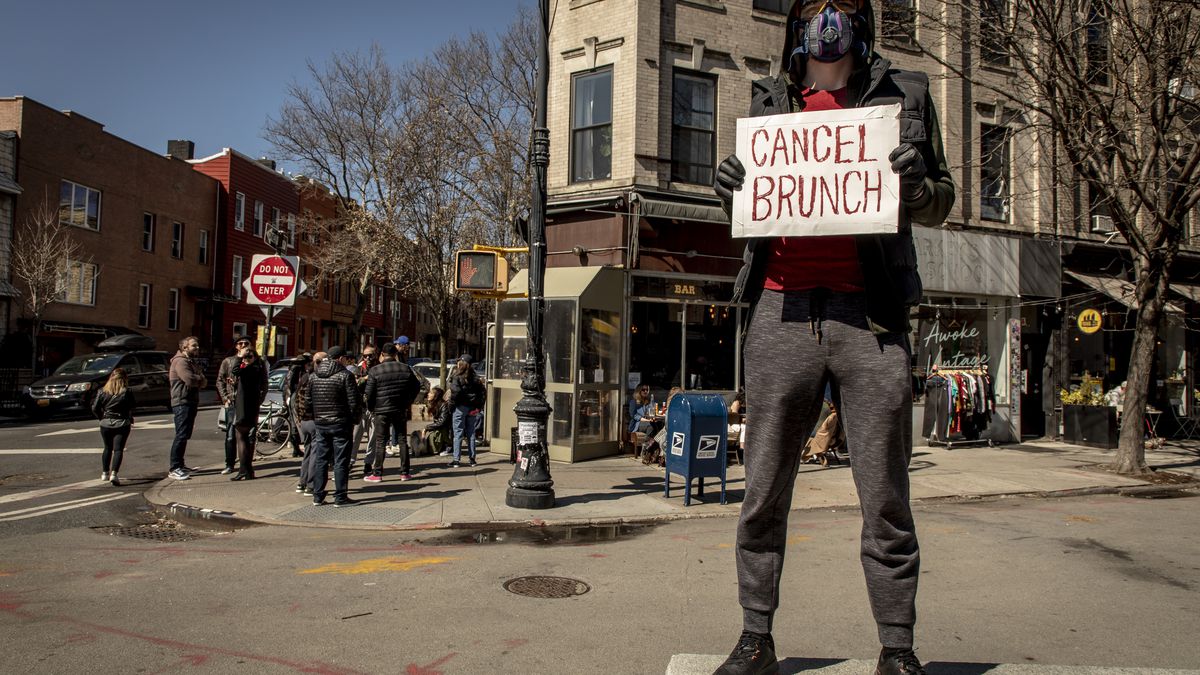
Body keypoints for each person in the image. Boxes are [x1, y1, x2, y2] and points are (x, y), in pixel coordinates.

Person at [711, 2, 955, 673]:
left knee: (885, 494)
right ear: (798, 24)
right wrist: (725, 187)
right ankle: (756, 636)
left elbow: (943, 198)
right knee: (762, 489)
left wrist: (916, 184)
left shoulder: (903, 95)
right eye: (816, 8)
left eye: (841, 8)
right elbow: (745, 201)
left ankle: (898, 647)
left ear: (860, 21)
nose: (828, 20)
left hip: (870, 318)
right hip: (780, 310)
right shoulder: (770, 100)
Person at [304, 346, 361, 507]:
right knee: (340, 460)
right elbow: (354, 402)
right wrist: (354, 419)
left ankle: (318, 495)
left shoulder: (314, 376)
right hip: (341, 423)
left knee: (321, 459)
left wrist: (315, 416)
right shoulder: (345, 375)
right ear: (341, 359)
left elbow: (308, 402)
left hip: (321, 423)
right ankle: (340, 496)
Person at [363, 343, 422, 482]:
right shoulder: (405, 368)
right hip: (400, 408)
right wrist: (408, 401)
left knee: (380, 441)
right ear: (395, 354)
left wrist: (371, 407)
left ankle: (377, 473)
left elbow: (369, 393)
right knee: (402, 440)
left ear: (382, 355)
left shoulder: (375, 371)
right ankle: (404, 472)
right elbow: (417, 386)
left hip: (381, 410)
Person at [168, 336, 208, 480]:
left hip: (190, 401)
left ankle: (181, 464)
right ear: (185, 348)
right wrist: (199, 378)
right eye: (194, 346)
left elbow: (204, 382)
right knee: (181, 434)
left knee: (185, 434)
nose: (197, 348)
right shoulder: (180, 362)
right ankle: (174, 467)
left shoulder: (190, 362)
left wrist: (199, 378)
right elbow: (190, 380)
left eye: (197, 346)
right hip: (182, 402)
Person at [229, 345, 268, 481]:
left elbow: (234, 370)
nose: (246, 359)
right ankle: (248, 470)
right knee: (247, 438)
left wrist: (240, 356)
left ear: (254, 358)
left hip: (244, 407)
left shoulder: (249, 370)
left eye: (249, 356)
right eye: (246, 357)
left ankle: (243, 470)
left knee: (241, 437)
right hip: (252, 406)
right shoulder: (258, 368)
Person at [92, 367, 135, 487]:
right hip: (122, 422)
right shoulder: (127, 391)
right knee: (118, 449)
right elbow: (132, 406)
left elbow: (94, 407)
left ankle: (105, 472)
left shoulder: (102, 391)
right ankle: (114, 474)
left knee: (107, 448)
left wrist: (101, 417)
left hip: (105, 423)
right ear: (124, 379)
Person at [217, 335, 252, 475]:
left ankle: (246, 464)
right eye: (240, 343)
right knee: (231, 434)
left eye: (246, 343)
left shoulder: (254, 360)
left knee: (249, 435)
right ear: (236, 346)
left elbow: (262, 382)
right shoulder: (228, 361)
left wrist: (260, 398)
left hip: (247, 402)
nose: (243, 345)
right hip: (232, 401)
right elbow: (220, 381)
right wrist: (225, 398)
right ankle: (229, 464)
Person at [447, 355, 485, 468]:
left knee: (458, 433)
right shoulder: (475, 378)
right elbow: (482, 393)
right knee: (471, 433)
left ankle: (456, 460)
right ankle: (472, 459)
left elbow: (455, 393)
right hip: (472, 408)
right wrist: (478, 407)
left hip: (460, 407)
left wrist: (451, 405)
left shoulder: (457, 376)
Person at [295, 351, 324, 495]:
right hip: (314, 420)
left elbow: (296, 400)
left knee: (307, 452)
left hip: (304, 421)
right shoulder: (316, 378)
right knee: (314, 453)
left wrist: (299, 419)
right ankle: (311, 485)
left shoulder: (304, 378)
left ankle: (302, 482)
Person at [282, 353, 312, 458]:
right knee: (296, 422)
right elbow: (290, 385)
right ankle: (296, 448)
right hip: (294, 396)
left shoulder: (293, 369)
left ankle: (296, 448)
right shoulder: (297, 369)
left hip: (292, 396)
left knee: (295, 422)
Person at [422, 387, 452, 457]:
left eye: (431, 393)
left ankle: (449, 447)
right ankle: (441, 447)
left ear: (436, 396)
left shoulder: (444, 405)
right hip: (441, 428)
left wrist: (426, 428)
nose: (428, 394)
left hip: (447, 430)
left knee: (436, 434)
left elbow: (442, 422)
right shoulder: (435, 405)